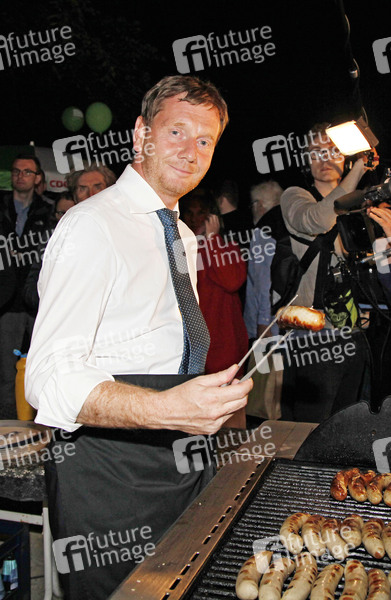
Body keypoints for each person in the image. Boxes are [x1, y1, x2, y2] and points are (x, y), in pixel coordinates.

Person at [25, 75, 252, 600]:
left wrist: (193, 402)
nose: (191, 151)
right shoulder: (91, 226)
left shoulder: (183, 234)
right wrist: (165, 408)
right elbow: (48, 378)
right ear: (140, 134)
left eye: (205, 140)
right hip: (107, 468)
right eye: (176, 131)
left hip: (178, 453)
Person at [279, 123, 372, 422]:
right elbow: (318, 220)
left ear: (343, 156)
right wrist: (357, 171)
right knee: (312, 427)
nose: (325, 158)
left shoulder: (360, 203)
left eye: (332, 150)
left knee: (348, 423)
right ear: (305, 161)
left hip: (356, 331)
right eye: (315, 152)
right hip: (315, 337)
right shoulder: (294, 196)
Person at [0, 154, 52, 418]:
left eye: (27, 172)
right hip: (6, 301)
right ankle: (8, 424)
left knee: (42, 365)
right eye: (16, 171)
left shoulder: (48, 210)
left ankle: (42, 422)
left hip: (38, 300)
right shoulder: (1, 207)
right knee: (6, 370)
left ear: (38, 177)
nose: (20, 176)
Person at [180, 189, 248, 377]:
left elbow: (232, 282)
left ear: (212, 217)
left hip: (224, 345)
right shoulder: (181, 248)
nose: (194, 219)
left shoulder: (226, 246)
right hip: (192, 347)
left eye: (200, 213)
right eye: (189, 213)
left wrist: (212, 240)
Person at [243, 180, 286, 420]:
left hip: (267, 324)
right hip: (284, 321)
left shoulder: (263, 230)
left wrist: (262, 324)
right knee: (279, 386)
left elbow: (262, 282)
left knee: (262, 390)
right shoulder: (287, 223)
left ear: (259, 205)